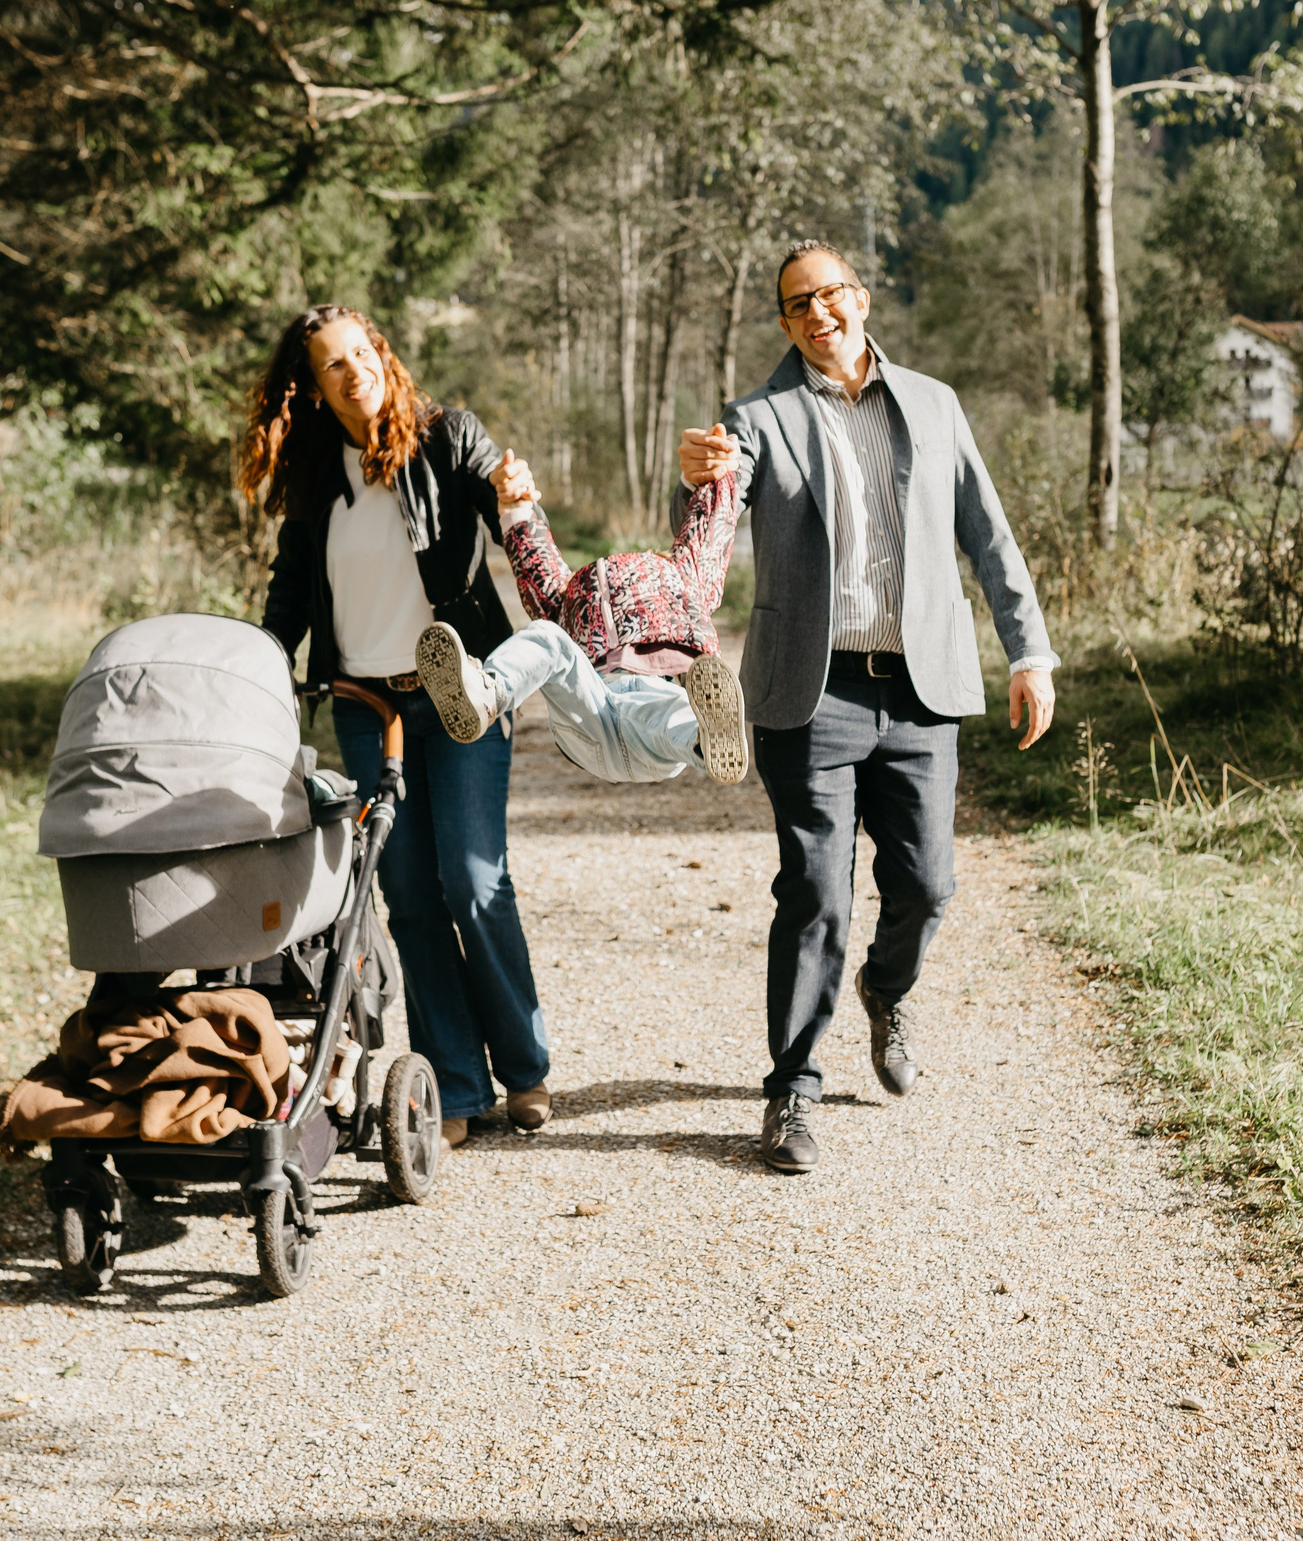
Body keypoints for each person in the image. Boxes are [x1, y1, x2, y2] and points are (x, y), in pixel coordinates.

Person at [679, 240, 1057, 1174]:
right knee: (815, 892)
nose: (819, 313)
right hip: (812, 694)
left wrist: (1031, 652)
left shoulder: (934, 404)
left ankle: (887, 990)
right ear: (785, 322)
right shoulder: (757, 417)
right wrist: (698, 479)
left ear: (863, 297)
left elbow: (990, 537)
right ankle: (792, 1094)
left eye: (832, 293)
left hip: (922, 689)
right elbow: (712, 521)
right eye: (798, 303)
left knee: (927, 885)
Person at [244, 304, 549, 1150]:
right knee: (408, 895)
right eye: (332, 364)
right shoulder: (312, 472)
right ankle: (456, 1081)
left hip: (460, 692)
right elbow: (291, 587)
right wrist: (263, 666)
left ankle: (524, 1065)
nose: (355, 371)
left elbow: (504, 497)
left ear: (382, 352)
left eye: (362, 352)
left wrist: (516, 497)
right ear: (311, 386)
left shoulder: (447, 437)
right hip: (364, 703)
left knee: (475, 878)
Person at [411, 455, 751, 787]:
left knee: (671, 711)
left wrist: (720, 476)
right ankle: (487, 696)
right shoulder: (573, 595)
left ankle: (706, 742)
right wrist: (517, 507)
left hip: (654, 714)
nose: (637, 566)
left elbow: (707, 535)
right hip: (588, 706)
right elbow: (536, 560)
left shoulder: (682, 583)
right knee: (547, 635)